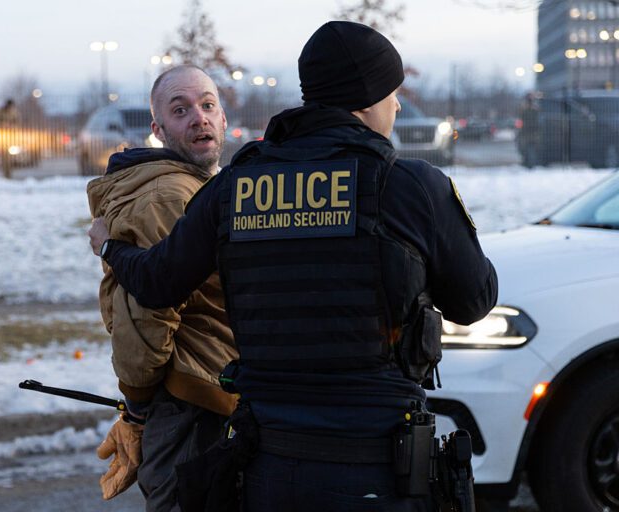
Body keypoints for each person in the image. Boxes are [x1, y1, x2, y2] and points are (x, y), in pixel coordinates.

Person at [90, 22, 498, 512]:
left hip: (270, 468)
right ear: (367, 99)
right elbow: (475, 301)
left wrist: (112, 250)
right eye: (392, 95)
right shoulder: (410, 186)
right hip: (378, 468)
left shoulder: (236, 187)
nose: (394, 107)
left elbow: (155, 283)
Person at [87, 65, 237, 511]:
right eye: (180, 110)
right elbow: (146, 315)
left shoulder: (199, 186)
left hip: (208, 398)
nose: (199, 117)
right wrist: (134, 410)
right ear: (157, 129)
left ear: (224, 118)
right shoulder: (169, 196)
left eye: (208, 105)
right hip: (191, 403)